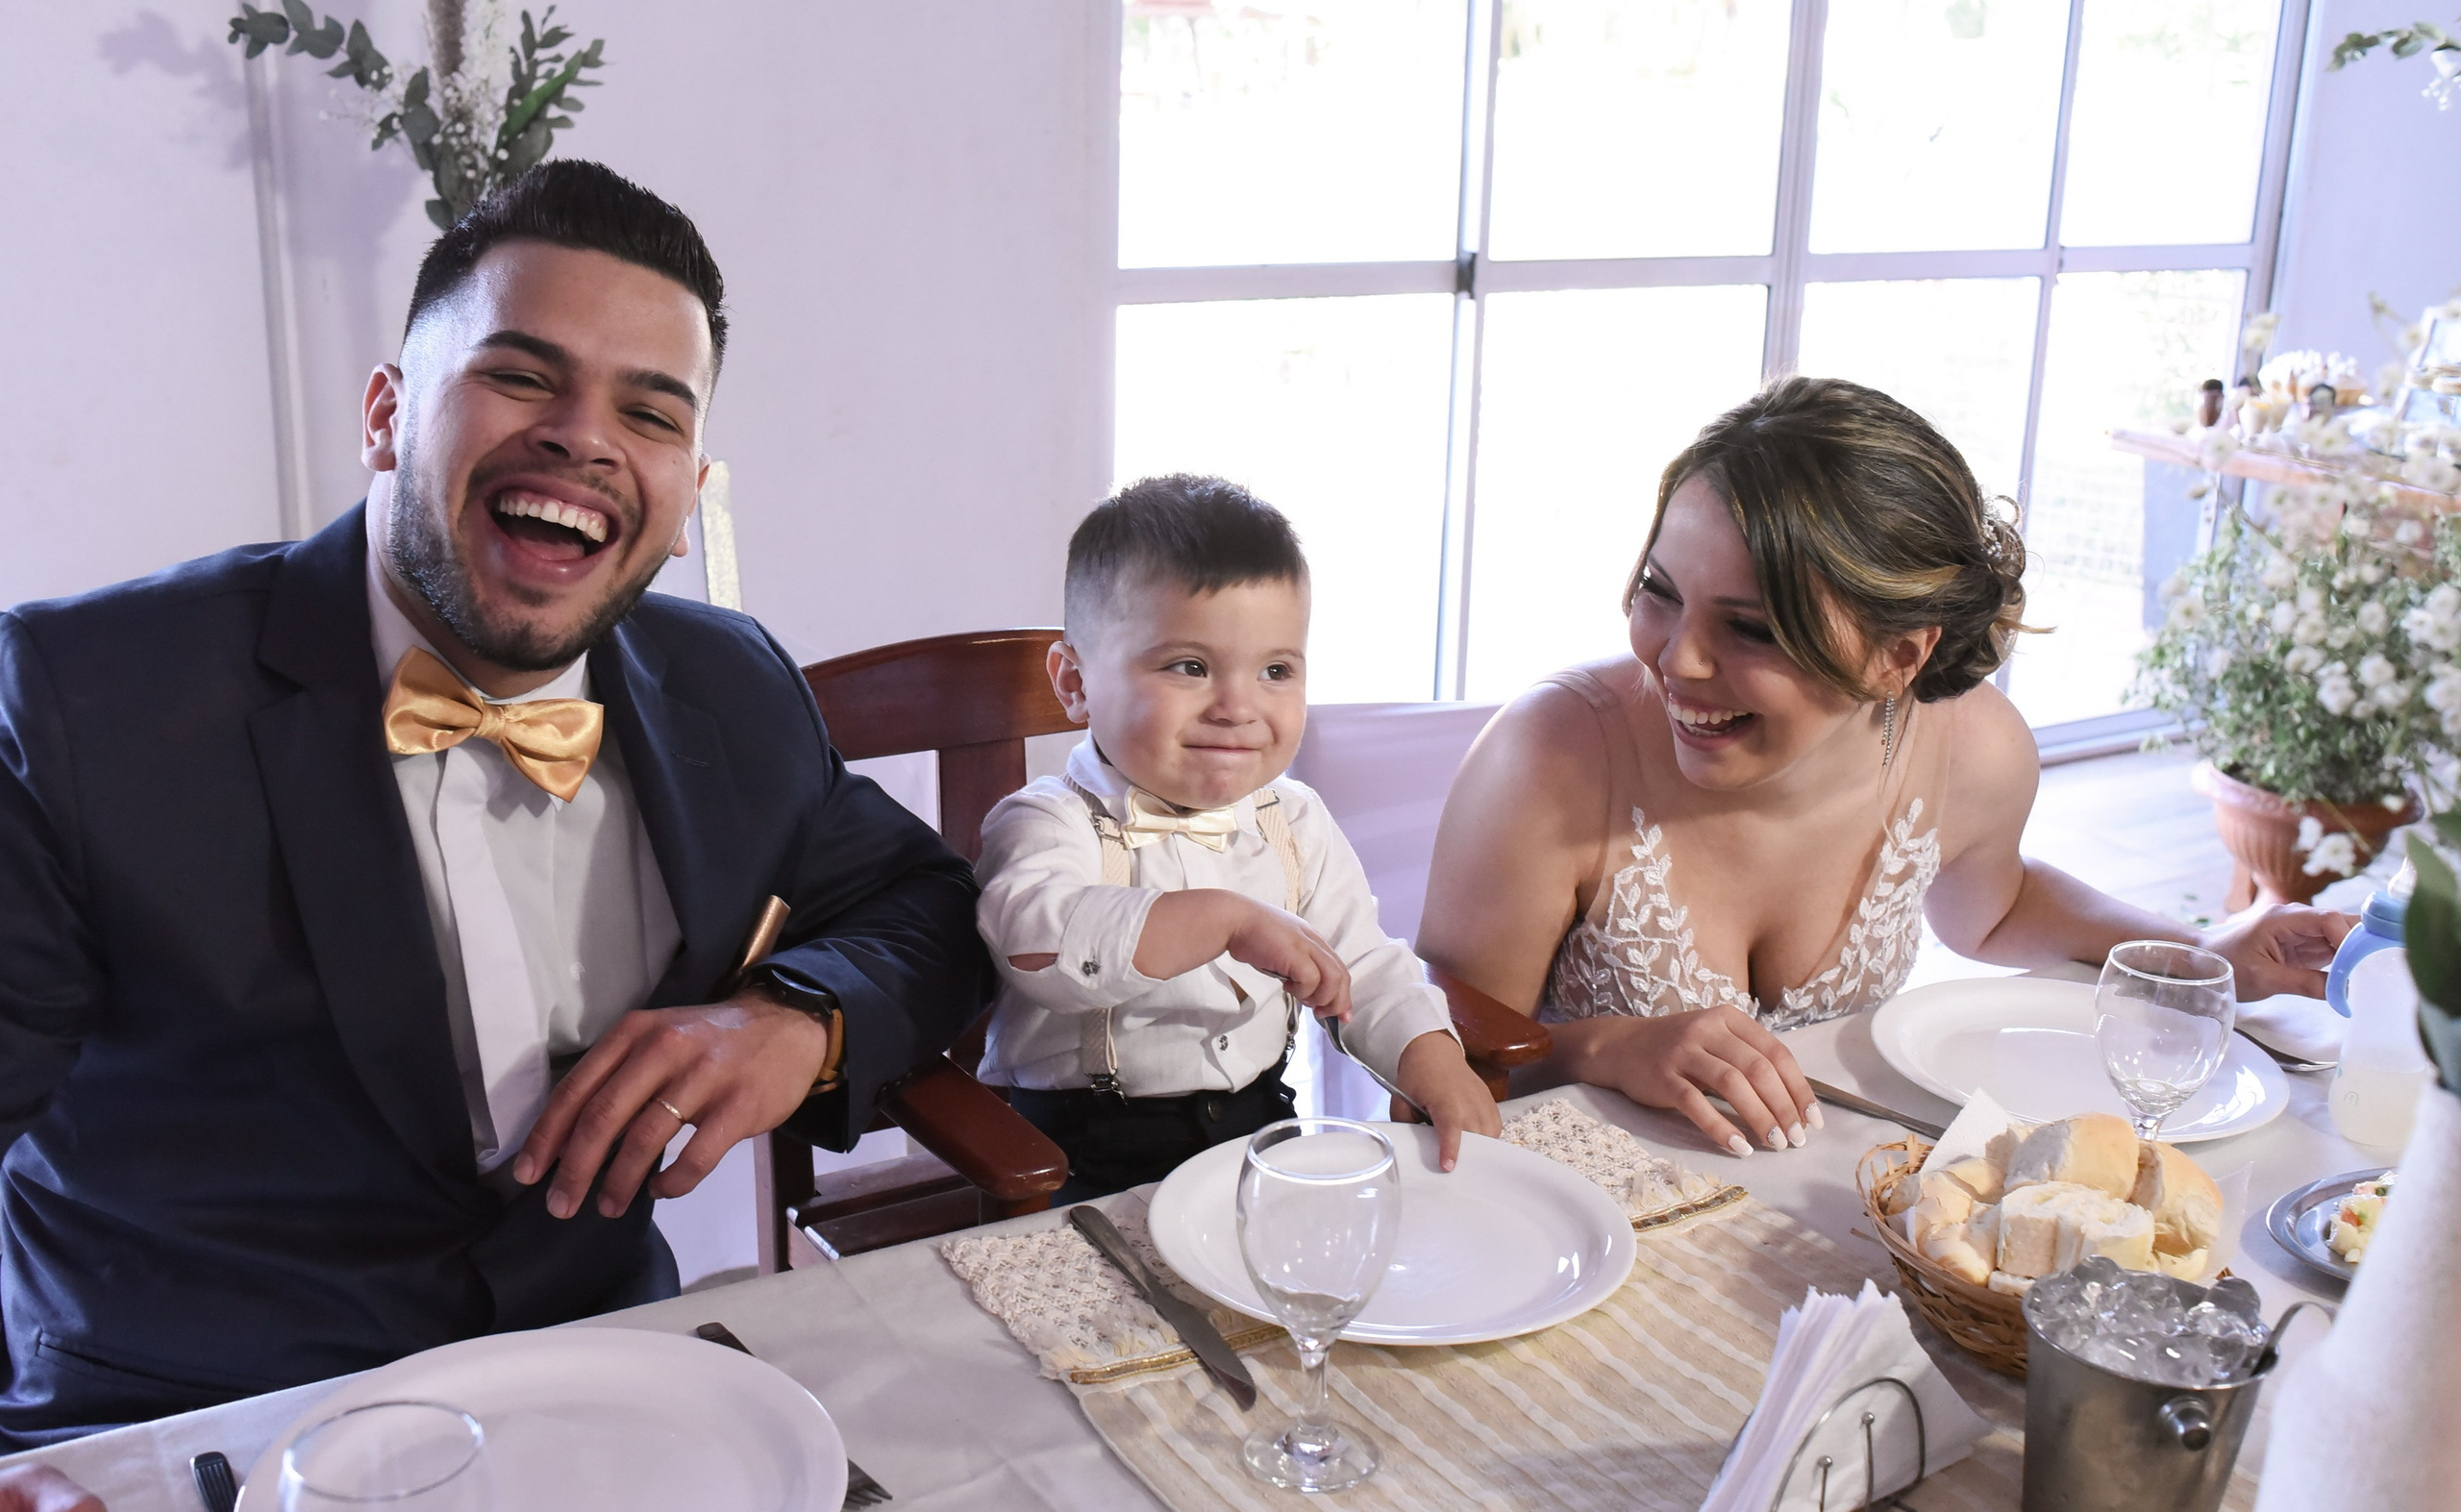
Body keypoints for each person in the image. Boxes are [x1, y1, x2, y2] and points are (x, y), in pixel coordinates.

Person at [0, 159, 991, 1512]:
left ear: (690, 481)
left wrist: (797, 1021)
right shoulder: (87, 699)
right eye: (524, 377)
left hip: (611, 1396)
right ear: (389, 412)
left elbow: (927, 910)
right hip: (195, 1424)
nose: (586, 439)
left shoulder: (736, 684)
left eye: (652, 409)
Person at [1419, 376, 2351, 1156]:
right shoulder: (1550, 757)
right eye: (1660, 592)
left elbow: (1996, 908)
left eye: (1748, 627)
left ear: (1898, 658)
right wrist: (1603, 1050)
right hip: (1571, 1217)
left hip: (1809, 1200)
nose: (1676, 658)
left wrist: (2190, 964)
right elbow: (1432, 1052)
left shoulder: (1972, 749)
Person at [975, 475, 1499, 1197]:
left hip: (1258, 1136)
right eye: (1189, 666)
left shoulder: (1294, 821)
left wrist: (1428, 1053)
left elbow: (1364, 963)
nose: (1238, 706)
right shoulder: (1050, 821)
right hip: (1078, 1157)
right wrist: (1222, 920)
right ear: (1075, 682)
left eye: (1276, 670)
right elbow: (1034, 943)